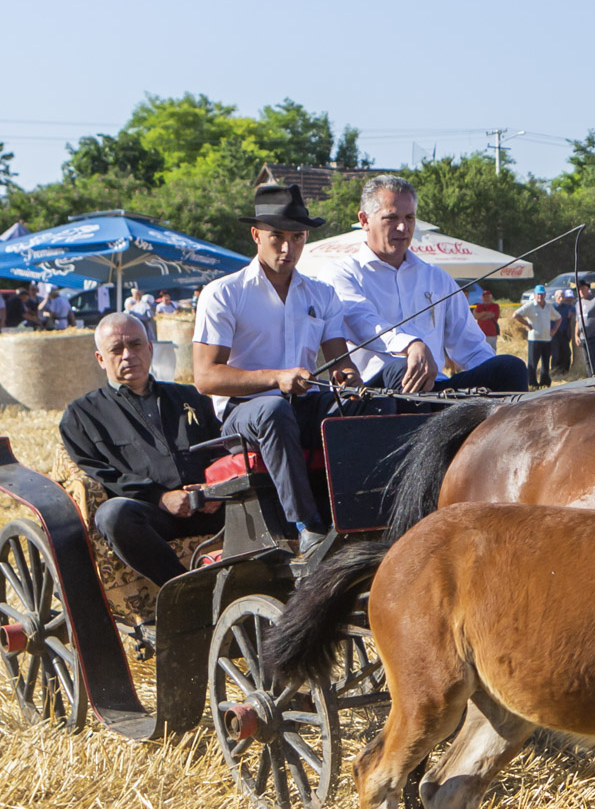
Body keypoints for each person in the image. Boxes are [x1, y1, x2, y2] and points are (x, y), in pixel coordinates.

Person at [193, 183, 362, 555]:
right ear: (256, 235)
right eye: (277, 238)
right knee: (273, 408)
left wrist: (350, 380)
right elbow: (206, 378)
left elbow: (341, 363)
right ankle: (307, 527)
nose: (288, 249)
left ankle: (368, 511)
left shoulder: (321, 294)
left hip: (303, 407)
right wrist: (276, 377)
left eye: (298, 238)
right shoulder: (223, 293)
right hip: (245, 415)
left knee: (368, 404)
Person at [61, 313, 224, 588]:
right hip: (152, 517)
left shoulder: (190, 397)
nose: (128, 355)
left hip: (211, 505)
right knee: (113, 515)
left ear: (149, 349)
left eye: (136, 345)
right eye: (116, 349)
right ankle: (186, 590)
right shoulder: (82, 415)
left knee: (265, 485)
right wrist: (160, 497)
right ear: (100, 359)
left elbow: (222, 446)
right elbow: (104, 475)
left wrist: (216, 488)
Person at [323, 175, 527, 393]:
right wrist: (411, 345)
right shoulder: (342, 273)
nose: (403, 227)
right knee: (401, 368)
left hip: (436, 389)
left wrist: (492, 376)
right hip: (374, 394)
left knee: (510, 367)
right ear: (364, 220)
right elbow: (364, 323)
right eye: (391, 218)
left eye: (410, 218)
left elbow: (471, 347)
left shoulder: (436, 277)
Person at [513, 287, 558, 388]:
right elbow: (515, 315)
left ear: (545, 295)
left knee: (546, 363)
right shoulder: (530, 305)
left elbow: (559, 317)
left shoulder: (548, 306)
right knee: (533, 363)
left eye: (542, 294)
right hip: (534, 339)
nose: (540, 296)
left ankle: (545, 382)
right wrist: (526, 323)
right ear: (534, 294)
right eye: (538, 294)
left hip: (547, 339)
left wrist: (554, 330)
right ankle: (532, 383)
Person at [575, 280, 595, 376]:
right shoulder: (578, 304)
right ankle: (591, 379)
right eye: (579, 290)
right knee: (587, 360)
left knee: (593, 357)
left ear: (587, 288)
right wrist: (576, 335)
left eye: (582, 289)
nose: (581, 291)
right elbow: (577, 321)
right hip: (583, 336)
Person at [550, 285, 575, 375]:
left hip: (564, 333)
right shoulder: (551, 307)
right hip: (554, 333)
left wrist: (572, 314)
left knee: (567, 353)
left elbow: (574, 311)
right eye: (559, 297)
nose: (561, 298)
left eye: (562, 297)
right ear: (556, 298)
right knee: (556, 354)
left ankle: (565, 371)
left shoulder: (567, 307)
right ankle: (554, 371)